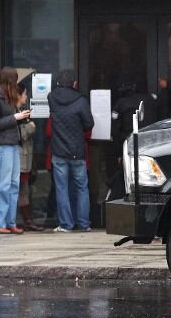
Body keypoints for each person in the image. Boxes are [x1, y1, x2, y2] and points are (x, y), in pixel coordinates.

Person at [48, 69, 94, 233]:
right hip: (77, 150)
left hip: (58, 150)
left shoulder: (51, 98)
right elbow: (89, 124)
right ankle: (84, 223)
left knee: (62, 188)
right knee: (82, 187)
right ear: (74, 83)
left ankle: (66, 225)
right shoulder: (81, 101)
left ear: (59, 83)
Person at [0, 67, 29, 234]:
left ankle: (10, 221)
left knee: (13, 184)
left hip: (12, 143)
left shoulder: (8, 99)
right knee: (2, 184)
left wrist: (19, 118)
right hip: (2, 145)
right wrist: (15, 118)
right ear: (10, 81)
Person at [16, 101, 42, 232]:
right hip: (21, 159)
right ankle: (27, 221)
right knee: (22, 190)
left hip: (25, 159)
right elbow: (22, 134)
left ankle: (28, 220)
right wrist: (30, 125)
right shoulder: (15, 114)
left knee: (24, 190)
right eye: (25, 94)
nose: (26, 98)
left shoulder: (21, 113)